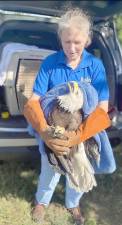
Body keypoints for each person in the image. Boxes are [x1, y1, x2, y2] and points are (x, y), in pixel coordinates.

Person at [23, 7, 116, 225]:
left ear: (87, 40)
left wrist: (77, 138)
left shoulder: (95, 66)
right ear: (60, 39)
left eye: (77, 42)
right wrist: (47, 133)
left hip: (83, 131)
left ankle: (73, 203)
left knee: (78, 165)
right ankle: (41, 201)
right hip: (54, 127)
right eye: (67, 42)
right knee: (50, 168)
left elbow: (102, 110)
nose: (72, 48)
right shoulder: (50, 64)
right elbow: (33, 102)